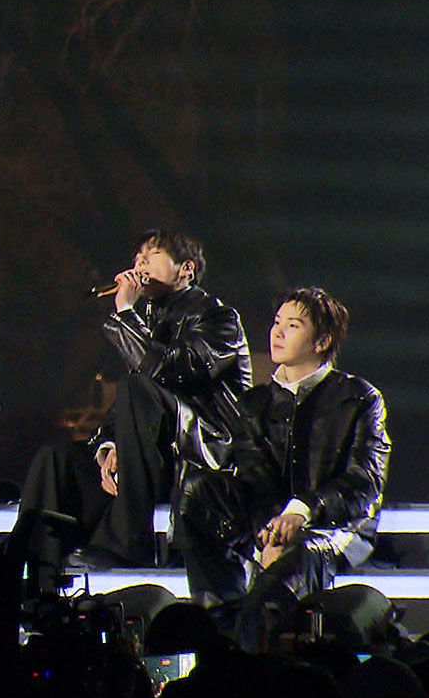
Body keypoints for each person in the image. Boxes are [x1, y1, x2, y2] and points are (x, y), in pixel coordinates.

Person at [17, 229, 252, 569]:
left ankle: (127, 542)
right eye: (137, 258)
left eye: (151, 256)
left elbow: (169, 372)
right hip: (150, 457)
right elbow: (129, 408)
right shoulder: (151, 321)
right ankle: (34, 566)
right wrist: (111, 445)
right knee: (58, 459)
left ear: (186, 269)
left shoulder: (218, 318)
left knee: (136, 386)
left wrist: (126, 312)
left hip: (200, 454)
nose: (140, 265)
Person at [176, 287, 390, 651]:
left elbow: (364, 480)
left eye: (293, 325)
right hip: (271, 526)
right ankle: (220, 620)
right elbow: (254, 478)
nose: (277, 332)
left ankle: (251, 650)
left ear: (322, 341)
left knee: (283, 579)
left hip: (332, 527)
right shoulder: (254, 403)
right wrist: (270, 534)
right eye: (277, 322)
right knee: (199, 489)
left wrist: (302, 511)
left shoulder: (358, 397)